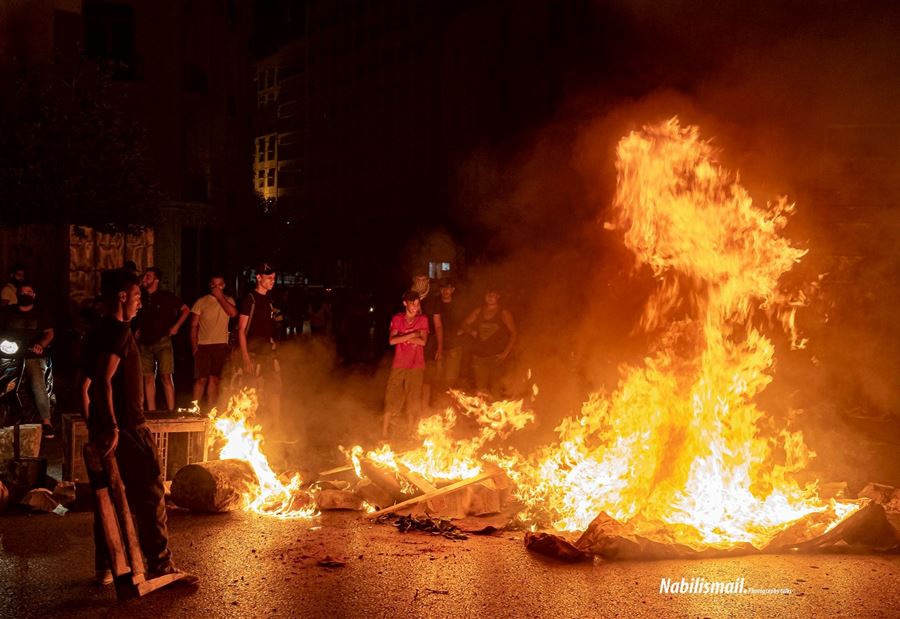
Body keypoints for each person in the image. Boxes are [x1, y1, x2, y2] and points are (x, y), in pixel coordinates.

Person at [80, 269, 197, 587]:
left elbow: (85, 385)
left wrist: (97, 425)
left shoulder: (97, 331)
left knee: (107, 495)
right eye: (135, 296)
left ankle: (106, 565)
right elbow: (102, 380)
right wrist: (115, 427)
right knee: (150, 492)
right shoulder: (119, 332)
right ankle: (160, 566)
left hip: (108, 427)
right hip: (129, 428)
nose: (139, 303)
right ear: (121, 296)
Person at [0, 282, 55, 437]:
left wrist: (41, 345)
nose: (25, 294)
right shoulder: (7, 312)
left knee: (38, 383)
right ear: (17, 295)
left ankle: (47, 422)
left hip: (31, 355)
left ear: (34, 295)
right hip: (8, 355)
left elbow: (49, 333)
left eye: (29, 292)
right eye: (22, 292)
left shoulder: (41, 312)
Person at [135, 267, 189, 411]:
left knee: (166, 376)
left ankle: (171, 412)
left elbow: (186, 309)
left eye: (148, 276)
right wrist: (139, 329)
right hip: (145, 342)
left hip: (162, 341)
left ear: (156, 280)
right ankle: (152, 412)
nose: (145, 278)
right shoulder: (141, 297)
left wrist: (176, 326)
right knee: (147, 378)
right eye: (145, 276)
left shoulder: (166, 296)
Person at [237, 262, 281, 429]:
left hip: (268, 354)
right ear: (258, 277)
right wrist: (246, 358)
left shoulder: (268, 299)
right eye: (269, 278)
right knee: (250, 393)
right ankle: (248, 429)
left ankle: (276, 428)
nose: (272, 281)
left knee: (275, 390)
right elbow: (241, 330)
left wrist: (271, 342)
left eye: (274, 278)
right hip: (253, 355)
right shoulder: (250, 300)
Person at [382, 290, 429, 439]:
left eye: (417, 304)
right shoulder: (398, 318)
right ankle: (384, 432)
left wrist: (402, 337)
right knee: (391, 394)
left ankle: (410, 431)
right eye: (412, 304)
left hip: (417, 365)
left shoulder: (423, 319)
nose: (416, 307)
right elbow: (391, 341)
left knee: (413, 397)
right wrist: (412, 335)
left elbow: (423, 341)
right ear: (405, 304)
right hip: (399, 364)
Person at [190, 274, 237, 409]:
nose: (216, 287)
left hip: (221, 346)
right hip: (203, 346)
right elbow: (193, 325)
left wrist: (220, 297)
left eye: (219, 284)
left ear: (223, 286)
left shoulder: (228, 300)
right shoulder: (201, 302)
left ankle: (211, 410)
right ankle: (195, 410)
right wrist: (194, 346)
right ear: (210, 285)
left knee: (214, 379)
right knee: (201, 379)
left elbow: (233, 314)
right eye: (214, 284)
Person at [462, 286, 517, 397]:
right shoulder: (479, 311)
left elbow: (513, 334)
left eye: (493, 296)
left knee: (496, 387)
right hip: (479, 357)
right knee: (480, 389)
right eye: (488, 295)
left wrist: (506, 353)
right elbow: (464, 324)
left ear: (498, 297)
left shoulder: (503, 313)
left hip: (496, 357)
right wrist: (471, 331)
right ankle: (482, 413)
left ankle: (498, 412)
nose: (490, 298)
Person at [411, 270, 442, 411]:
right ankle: (412, 408)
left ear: (428, 281)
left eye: (424, 279)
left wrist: (440, 347)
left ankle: (424, 406)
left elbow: (438, 325)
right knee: (412, 377)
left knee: (427, 377)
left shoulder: (434, 300)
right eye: (419, 279)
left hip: (429, 344)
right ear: (414, 280)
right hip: (411, 343)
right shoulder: (408, 298)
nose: (421, 282)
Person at [437, 278, 464, 391]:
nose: (445, 291)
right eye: (443, 288)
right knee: (437, 378)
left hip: (454, 347)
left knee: (450, 379)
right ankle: (438, 405)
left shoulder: (459, 304)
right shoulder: (436, 304)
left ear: (452, 289)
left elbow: (468, 320)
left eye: (448, 288)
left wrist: (462, 329)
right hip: (438, 347)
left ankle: (448, 405)